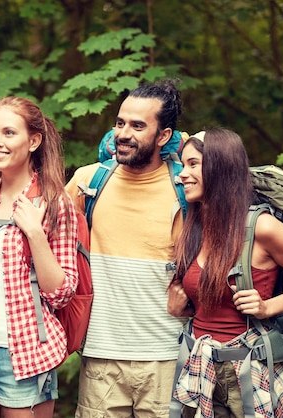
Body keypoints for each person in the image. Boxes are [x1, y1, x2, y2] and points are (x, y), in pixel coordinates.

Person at [167, 128, 283, 417]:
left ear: (221, 167)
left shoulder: (262, 228)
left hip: (248, 371)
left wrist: (267, 306)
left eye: (193, 164)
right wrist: (177, 300)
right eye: (183, 164)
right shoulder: (192, 226)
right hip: (199, 370)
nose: (182, 174)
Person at [64, 79, 187, 417]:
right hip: (101, 355)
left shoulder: (186, 187)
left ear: (163, 135)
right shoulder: (88, 182)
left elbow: (226, 246)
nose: (123, 133)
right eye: (120, 123)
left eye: (137, 125)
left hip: (166, 355)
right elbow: (42, 239)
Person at [0, 96, 79, 418]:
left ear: (34, 141)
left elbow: (63, 291)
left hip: (24, 353)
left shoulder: (54, 202)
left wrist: (36, 235)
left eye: (9, 133)